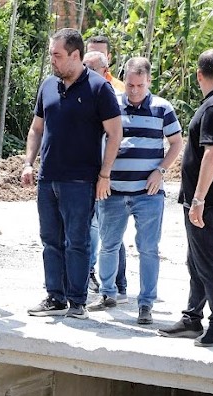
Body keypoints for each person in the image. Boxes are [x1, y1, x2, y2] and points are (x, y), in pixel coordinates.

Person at [22, 28, 123, 320]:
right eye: (52, 54)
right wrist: (29, 162)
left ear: (76, 55)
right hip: (48, 178)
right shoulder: (48, 86)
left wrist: (105, 175)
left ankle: (77, 302)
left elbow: (115, 134)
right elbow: (36, 128)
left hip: (80, 181)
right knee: (50, 240)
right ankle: (55, 297)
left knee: (77, 241)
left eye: (57, 55)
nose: (52, 60)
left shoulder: (98, 88)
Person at [157, 48, 213, 347]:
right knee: (196, 260)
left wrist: (198, 200)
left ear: (199, 75)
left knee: (206, 261)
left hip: (206, 200)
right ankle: (193, 317)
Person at [90, 57, 182, 326]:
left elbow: (176, 143)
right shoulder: (113, 106)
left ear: (149, 82)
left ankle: (145, 303)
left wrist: (161, 170)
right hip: (114, 190)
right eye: (130, 85)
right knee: (108, 245)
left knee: (148, 249)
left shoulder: (163, 109)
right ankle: (107, 293)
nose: (134, 91)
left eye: (139, 85)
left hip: (148, 194)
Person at [85, 36, 128, 298]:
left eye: (98, 59)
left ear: (107, 61)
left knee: (112, 228)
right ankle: (89, 274)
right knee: (89, 226)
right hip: (87, 166)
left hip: (111, 169)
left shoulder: (121, 90)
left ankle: (117, 282)